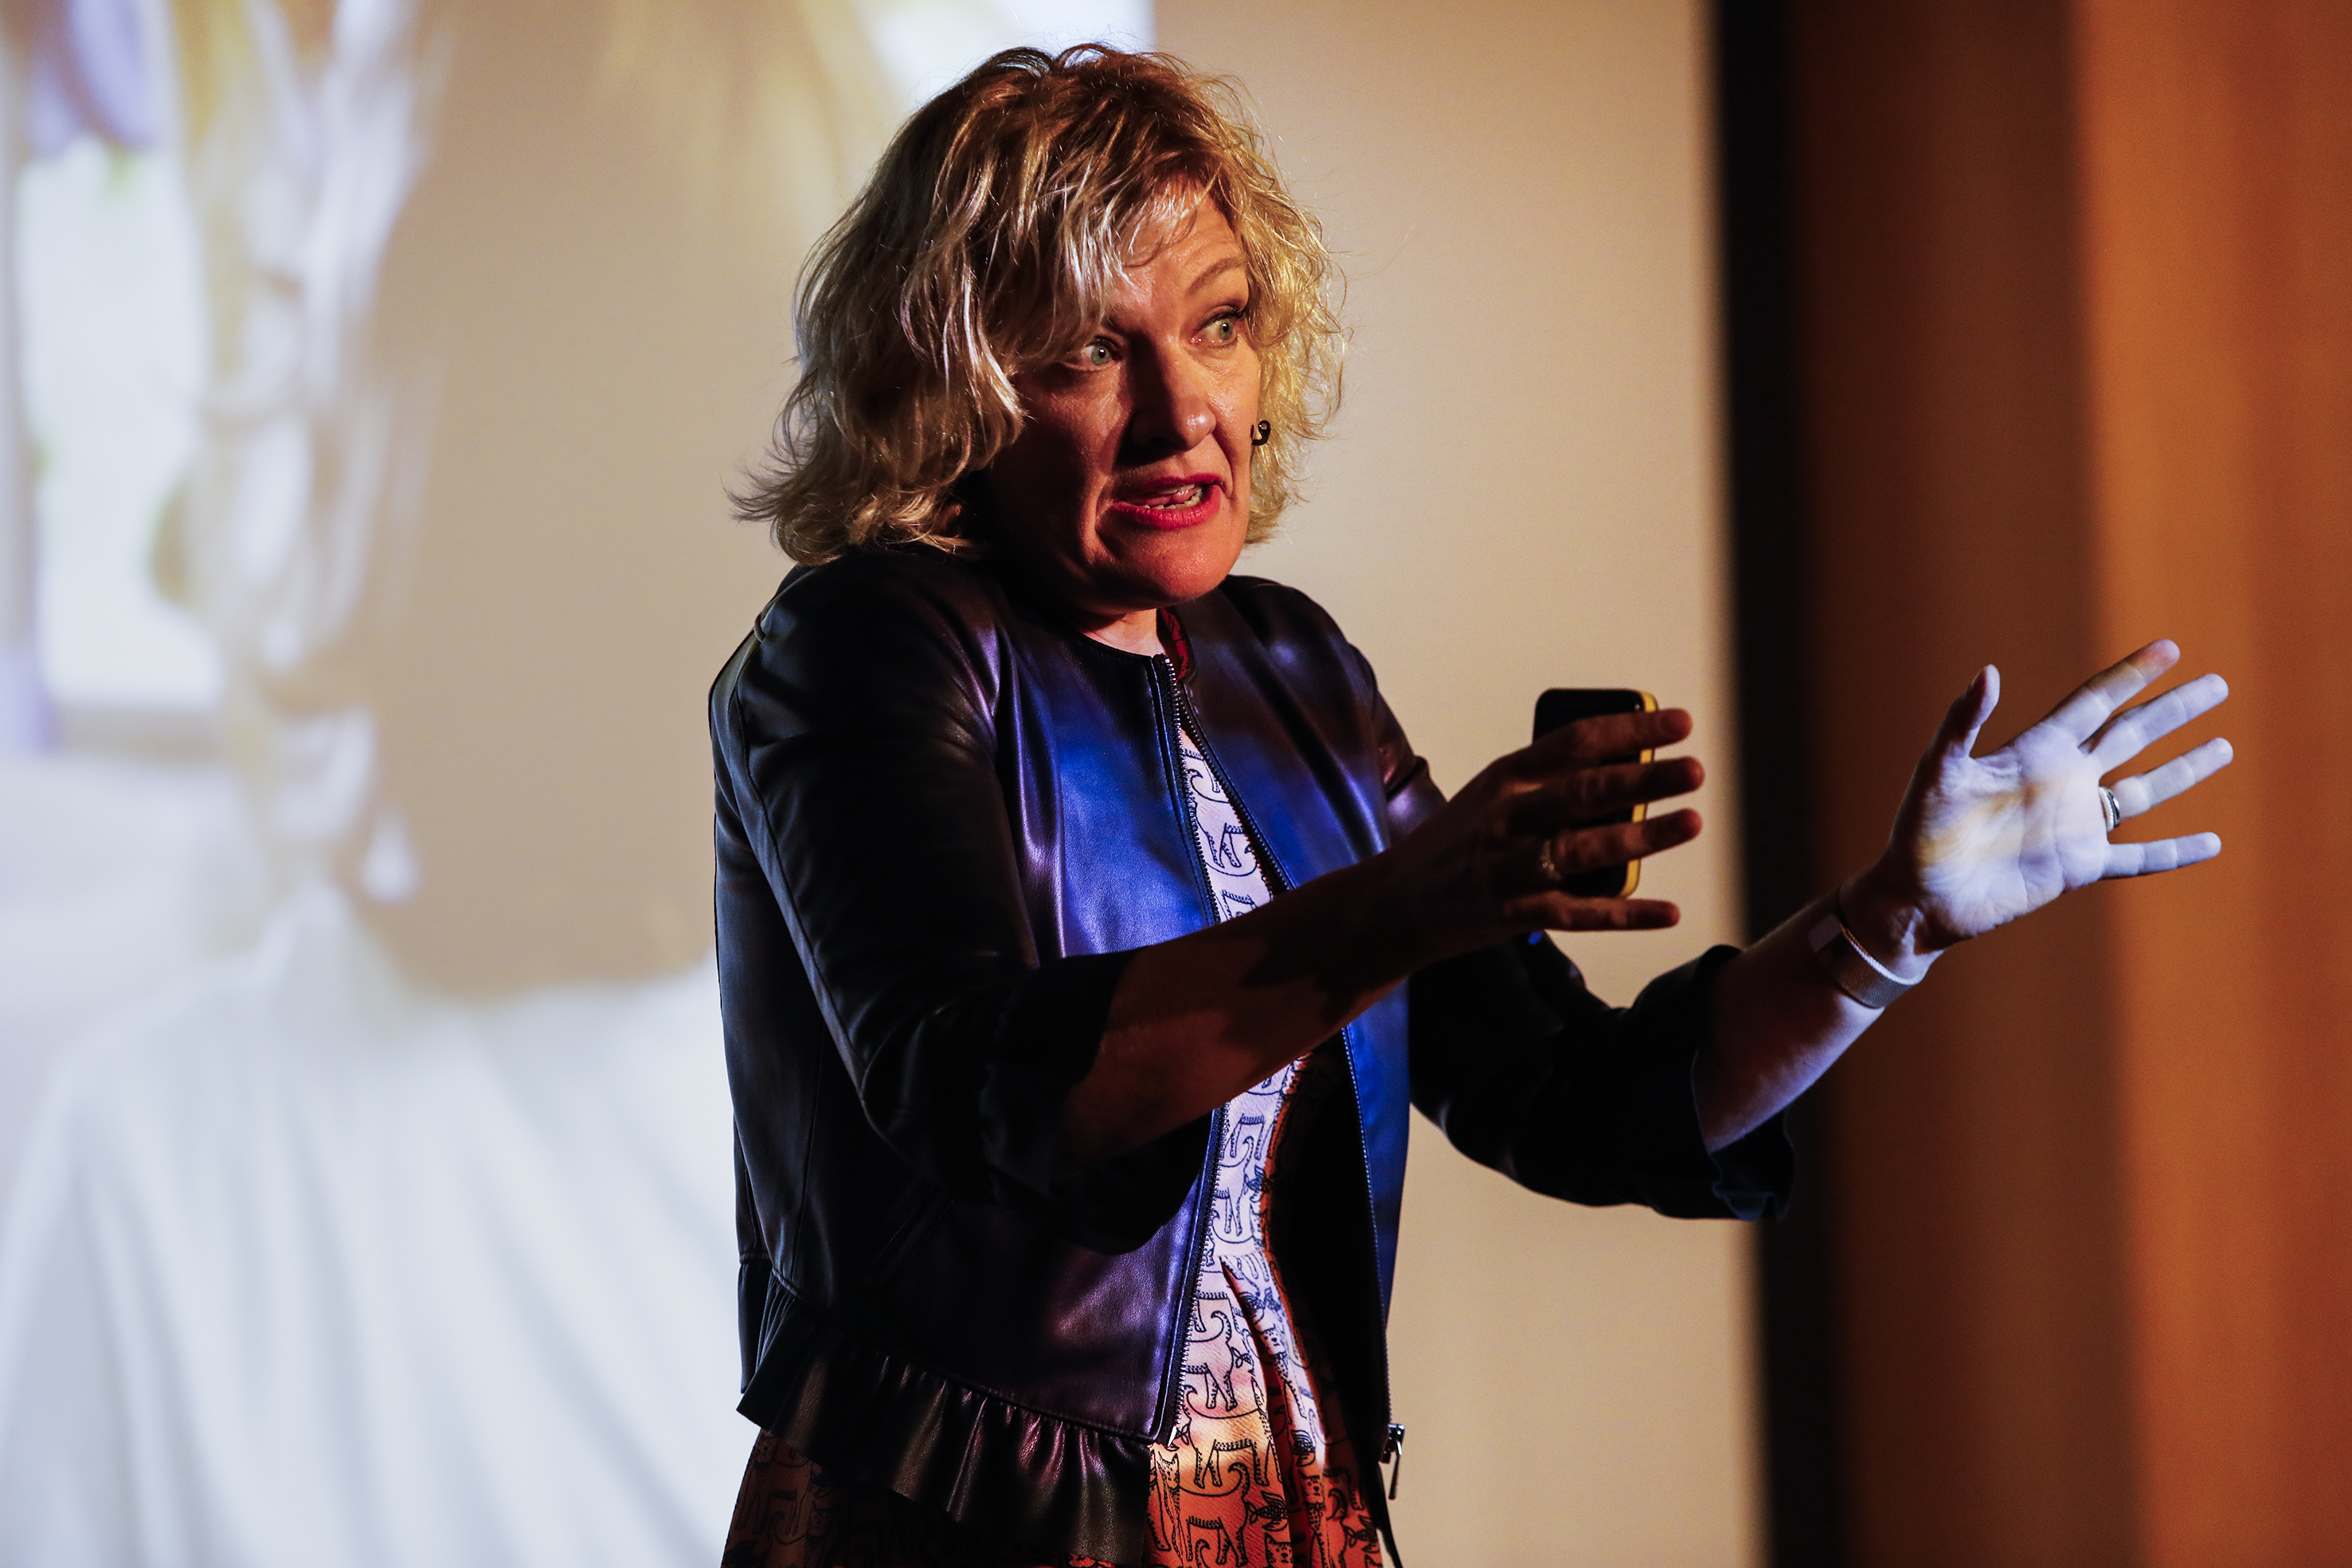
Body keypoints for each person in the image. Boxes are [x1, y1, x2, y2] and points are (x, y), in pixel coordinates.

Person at [707, 45, 2230, 1568]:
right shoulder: (865, 643)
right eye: (1088, 352)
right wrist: (1408, 902)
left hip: (1283, 1511)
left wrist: (1884, 924)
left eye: (1219, 324)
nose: (1183, 412)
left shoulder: (1286, 663)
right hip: (970, 1523)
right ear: (957, 389)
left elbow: (1572, 1094)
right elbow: (981, 1086)